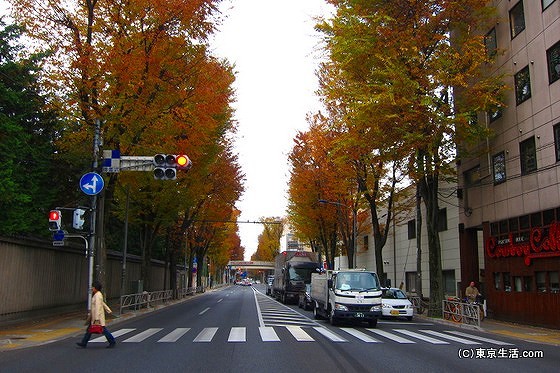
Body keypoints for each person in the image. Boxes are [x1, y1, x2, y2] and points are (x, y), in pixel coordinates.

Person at [76, 281, 116, 348]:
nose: (92, 288)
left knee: (103, 330)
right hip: (95, 316)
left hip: (97, 317)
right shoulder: (98, 294)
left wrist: (97, 319)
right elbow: (102, 303)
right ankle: (84, 343)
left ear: (95, 288)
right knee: (89, 330)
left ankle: (112, 342)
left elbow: (97, 307)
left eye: (93, 287)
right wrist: (108, 310)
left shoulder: (97, 295)